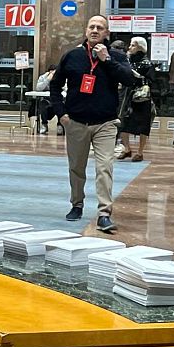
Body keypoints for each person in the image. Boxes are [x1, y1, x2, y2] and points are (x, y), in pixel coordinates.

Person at [50, 15, 135, 233]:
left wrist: (107, 60)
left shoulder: (116, 56)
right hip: (76, 122)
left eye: (100, 27)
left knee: (104, 167)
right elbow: (55, 85)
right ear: (86, 30)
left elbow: (129, 80)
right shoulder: (72, 56)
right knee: (76, 167)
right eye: (92, 27)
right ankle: (76, 204)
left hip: (105, 123)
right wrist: (61, 114)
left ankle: (104, 213)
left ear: (107, 33)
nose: (95, 30)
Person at [117, 37, 156, 162]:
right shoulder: (126, 61)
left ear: (140, 47)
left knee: (143, 125)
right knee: (123, 123)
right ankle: (127, 149)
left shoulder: (147, 63)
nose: (129, 47)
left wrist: (139, 77)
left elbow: (151, 81)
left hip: (142, 98)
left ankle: (140, 152)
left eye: (133, 45)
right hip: (127, 97)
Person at [29, 64, 59, 134]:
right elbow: (38, 88)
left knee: (62, 105)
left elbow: (66, 88)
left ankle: (60, 126)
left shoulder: (60, 77)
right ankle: (44, 125)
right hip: (46, 100)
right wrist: (48, 79)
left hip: (57, 99)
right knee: (42, 104)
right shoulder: (42, 77)